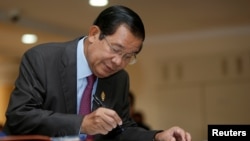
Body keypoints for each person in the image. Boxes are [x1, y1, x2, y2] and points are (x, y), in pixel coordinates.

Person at [3, 5, 191, 141]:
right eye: (115, 49)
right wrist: (82, 123)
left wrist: (157, 136)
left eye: (128, 56)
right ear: (94, 34)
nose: (119, 62)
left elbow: (121, 130)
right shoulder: (42, 59)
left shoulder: (119, 78)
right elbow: (19, 118)